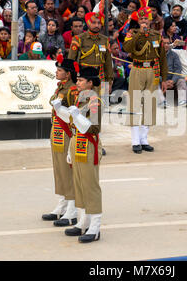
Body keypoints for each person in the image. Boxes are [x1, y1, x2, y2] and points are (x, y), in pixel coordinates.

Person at [62, 65, 103, 243]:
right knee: (79, 183)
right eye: (77, 80)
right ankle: (83, 222)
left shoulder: (95, 101)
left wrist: (78, 116)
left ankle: (95, 227)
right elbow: (73, 125)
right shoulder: (81, 98)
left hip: (88, 144)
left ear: (90, 83)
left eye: (80, 80)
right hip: (77, 143)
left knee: (90, 186)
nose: (77, 83)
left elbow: (94, 127)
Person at [123, 3, 168, 154]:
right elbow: (127, 49)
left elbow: (162, 58)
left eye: (146, 19)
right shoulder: (132, 33)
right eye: (141, 19)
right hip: (137, 69)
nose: (144, 21)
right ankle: (135, 140)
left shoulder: (157, 35)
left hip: (153, 70)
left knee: (149, 105)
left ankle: (144, 139)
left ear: (150, 20)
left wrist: (165, 78)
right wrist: (139, 34)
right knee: (135, 104)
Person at [43, 57, 79, 225]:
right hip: (56, 132)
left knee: (68, 170)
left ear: (68, 73)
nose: (56, 72)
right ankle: (62, 204)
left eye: (59, 70)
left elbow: (75, 115)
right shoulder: (60, 87)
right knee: (59, 170)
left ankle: (72, 209)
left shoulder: (72, 90)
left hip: (67, 134)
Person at [68, 12, 113, 90]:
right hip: (84, 78)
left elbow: (108, 63)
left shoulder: (105, 40)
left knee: (102, 101)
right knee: (84, 101)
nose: (96, 25)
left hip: (100, 77)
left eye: (99, 23)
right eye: (94, 23)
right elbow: (71, 61)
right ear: (88, 23)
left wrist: (109, 82)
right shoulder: (79, 39)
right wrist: (72, 80)